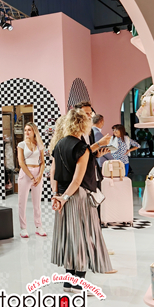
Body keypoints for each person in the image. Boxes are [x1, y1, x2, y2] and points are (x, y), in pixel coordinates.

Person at [49, 109, 112, 294]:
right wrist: (65, 197)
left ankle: (68, 281)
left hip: (62, 196)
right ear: (83, 125)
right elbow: (77, 180)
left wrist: (58, 196)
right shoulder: (82, 148)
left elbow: (54, 173)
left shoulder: (59, 145)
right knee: (83, 237)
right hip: (77, 196)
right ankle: (78, 284)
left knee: (69, 238)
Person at [17, 122, 46, 238]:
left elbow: (43, 162)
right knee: (22, 202)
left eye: (29, 130)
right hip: (26, 173)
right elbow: (21, 162)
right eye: (25, 130)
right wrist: (31, 177)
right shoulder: (21, 144)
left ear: (34, 131)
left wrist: (39, 175)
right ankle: (23, 228)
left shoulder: (39, 145)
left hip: (37, 172)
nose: (27, 132)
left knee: (37, 202)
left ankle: (39, 226)